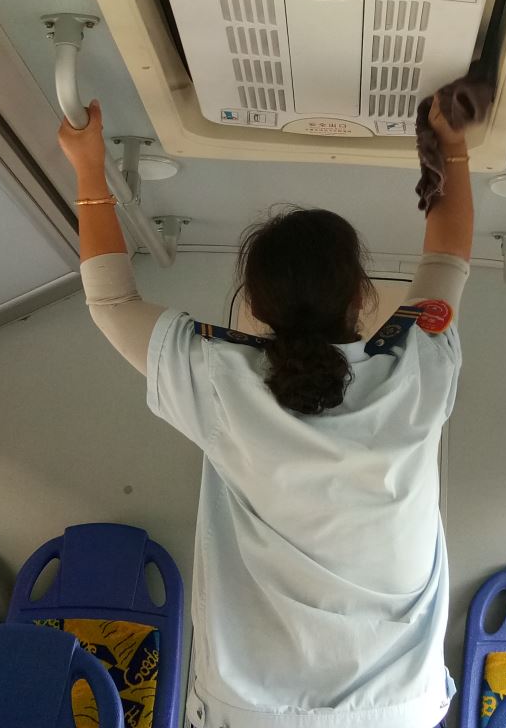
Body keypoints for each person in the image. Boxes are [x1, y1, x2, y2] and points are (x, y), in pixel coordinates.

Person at [59, 94, 474, 728]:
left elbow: (111, 303)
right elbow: (448, 258)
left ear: (252, 304)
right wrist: (451, 145)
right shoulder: (416, 365)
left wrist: (89, 166)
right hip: (394, 706)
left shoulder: (220, 378)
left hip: (262, 709)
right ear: (363, 295)